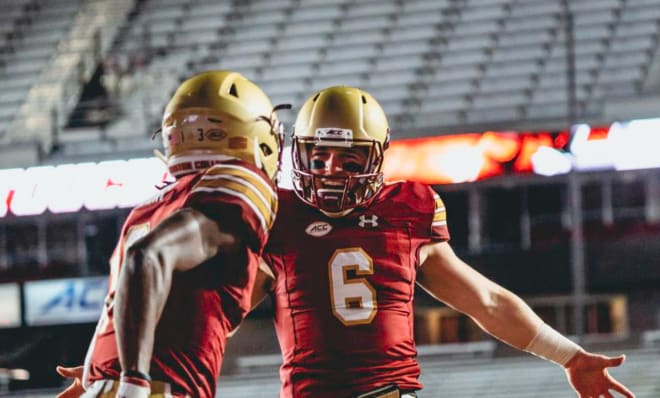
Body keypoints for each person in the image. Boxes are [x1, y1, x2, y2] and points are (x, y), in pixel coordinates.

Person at [251, 86, 635, 398]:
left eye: (349, 161)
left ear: (376, 159)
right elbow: (221, 316)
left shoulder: (404, 210)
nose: (331, 172)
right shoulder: (279, 215)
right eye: (319, 159)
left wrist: (570, 356)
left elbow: (486, 302)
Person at [56, 70, 286, 398]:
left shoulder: (149, 209)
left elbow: (126, 299)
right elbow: (146, 256)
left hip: (108, 384)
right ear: (256, 136)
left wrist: (98, 368)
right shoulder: (239, 180)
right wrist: (134, 378)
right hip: (158, 390)